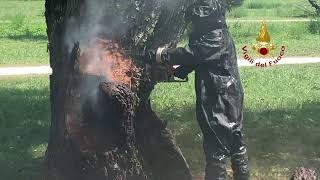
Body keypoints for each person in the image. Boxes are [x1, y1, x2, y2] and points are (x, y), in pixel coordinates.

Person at [146, 0, 249, 179]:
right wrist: (178, 71)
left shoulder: (214, 38)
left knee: (216, 151)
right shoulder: (219, 35)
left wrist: (160, 55)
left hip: (219, 100)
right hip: (229, 96)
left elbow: (192, 54)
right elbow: (197, 60)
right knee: (236, 144)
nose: (193, 25)